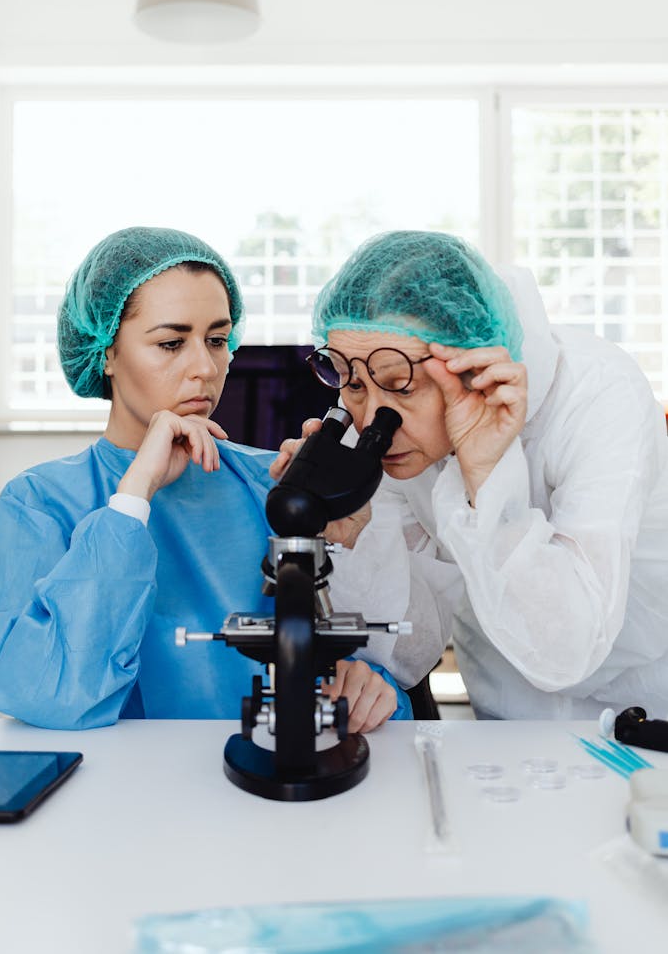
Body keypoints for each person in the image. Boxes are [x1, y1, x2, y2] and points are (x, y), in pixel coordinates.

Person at [0, 226, 410, 730]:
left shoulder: (275, 485)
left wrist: (366, 684)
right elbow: (42, 693)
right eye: (172, 342)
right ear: (106, 352)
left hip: (263, 786)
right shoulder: (39, 503)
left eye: (218, 340)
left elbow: (356, 665)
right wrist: (133, 498)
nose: (205, 367)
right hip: (112, 795)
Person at [273, 230, 668, 721]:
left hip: (642, 706)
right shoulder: (394, 442)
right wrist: (354, 538)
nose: (373, 419)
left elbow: (567, 648)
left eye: (400, 383)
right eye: (349, 382)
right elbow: (406, 652)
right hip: (505, 709)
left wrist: (484, 473)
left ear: (468, 363)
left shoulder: (599, 396)